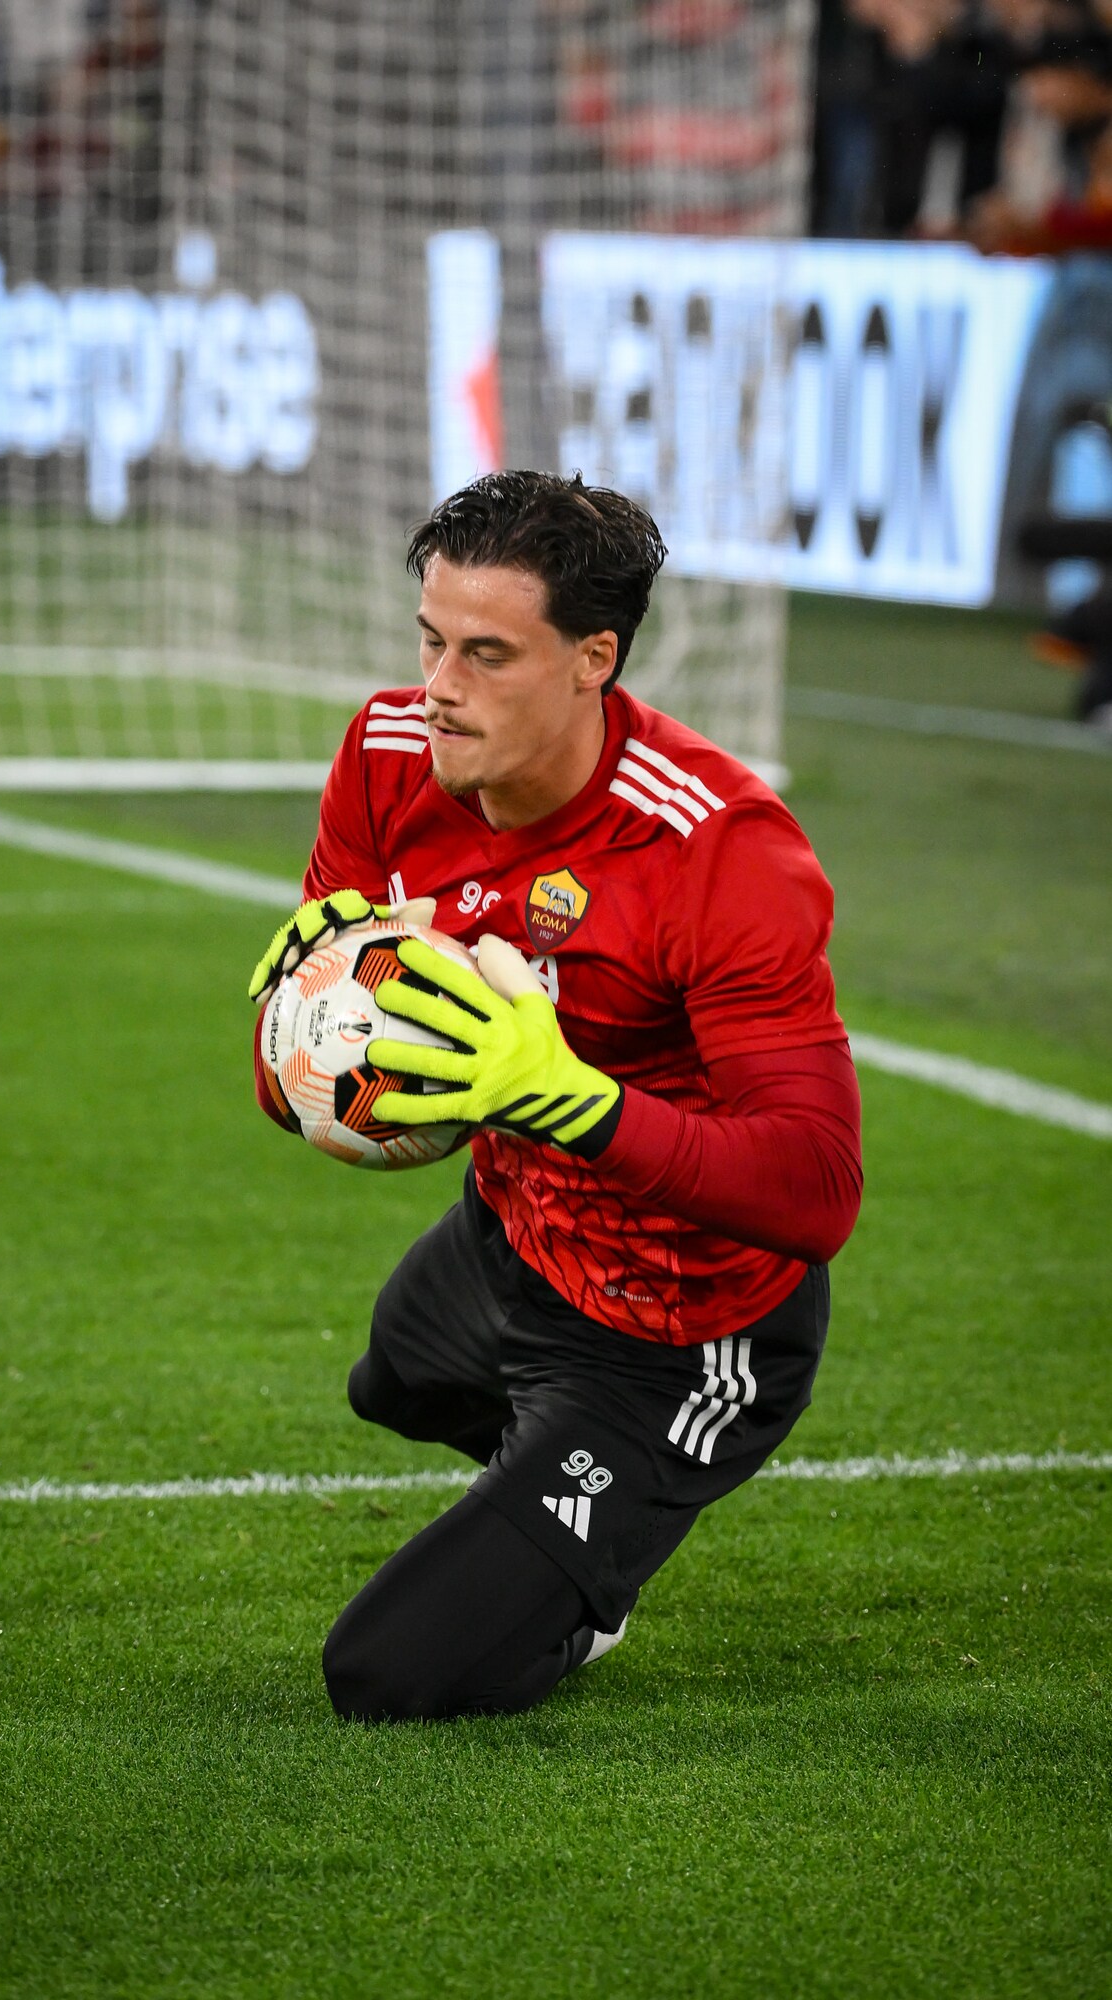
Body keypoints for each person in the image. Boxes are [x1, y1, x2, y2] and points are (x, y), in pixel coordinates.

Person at [248, 471, 863, 1724]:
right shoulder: (384, 756)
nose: (437, 686)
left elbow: (814, 1190)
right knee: (392, 1380)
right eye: (429, 639)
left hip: (681, 1328)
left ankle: (594, 1556)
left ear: (594, 659)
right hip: (513, 1235)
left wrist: (569, 1099)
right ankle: (548, 1496)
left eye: (485, 654)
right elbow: (308, 1086)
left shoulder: (717, 850)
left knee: (387, 1674)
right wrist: (288, 1035)